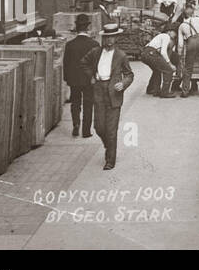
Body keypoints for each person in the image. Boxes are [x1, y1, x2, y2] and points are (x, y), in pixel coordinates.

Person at [81, 23, 135, 170]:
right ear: (103, 38)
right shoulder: (95, 52)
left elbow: (129, 75)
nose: (109, 41)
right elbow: (84, 63)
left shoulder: (121, 55)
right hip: (98, 90)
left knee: (111, 130)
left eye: (112, 37)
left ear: (116, 38)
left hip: (114, 94)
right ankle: (108, 145)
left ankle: (110, 159)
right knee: (98, 127)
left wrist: (123, 84)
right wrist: (91, 76)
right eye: (106, 38)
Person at [62, 14, 99, 138]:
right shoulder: (94, 44)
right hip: (89, 80)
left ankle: (76, 125)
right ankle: (86, 131)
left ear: (77, 28)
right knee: (88, 104)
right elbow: (97, 64)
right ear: (87, 28)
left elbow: (65, 63)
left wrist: (67, 78)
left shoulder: (70, 45)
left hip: (74, 80)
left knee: (75, 102)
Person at [141, 29, 179, 98]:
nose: (175, 35)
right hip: (151, 53)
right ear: (169, 31)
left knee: (157, 70)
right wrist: (170, 64)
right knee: (168, 70)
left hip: (145, 53)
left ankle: (152, 89)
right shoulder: (166, 36)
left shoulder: (159, 37)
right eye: (175, 32)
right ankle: (165, 92)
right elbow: (163, 52)